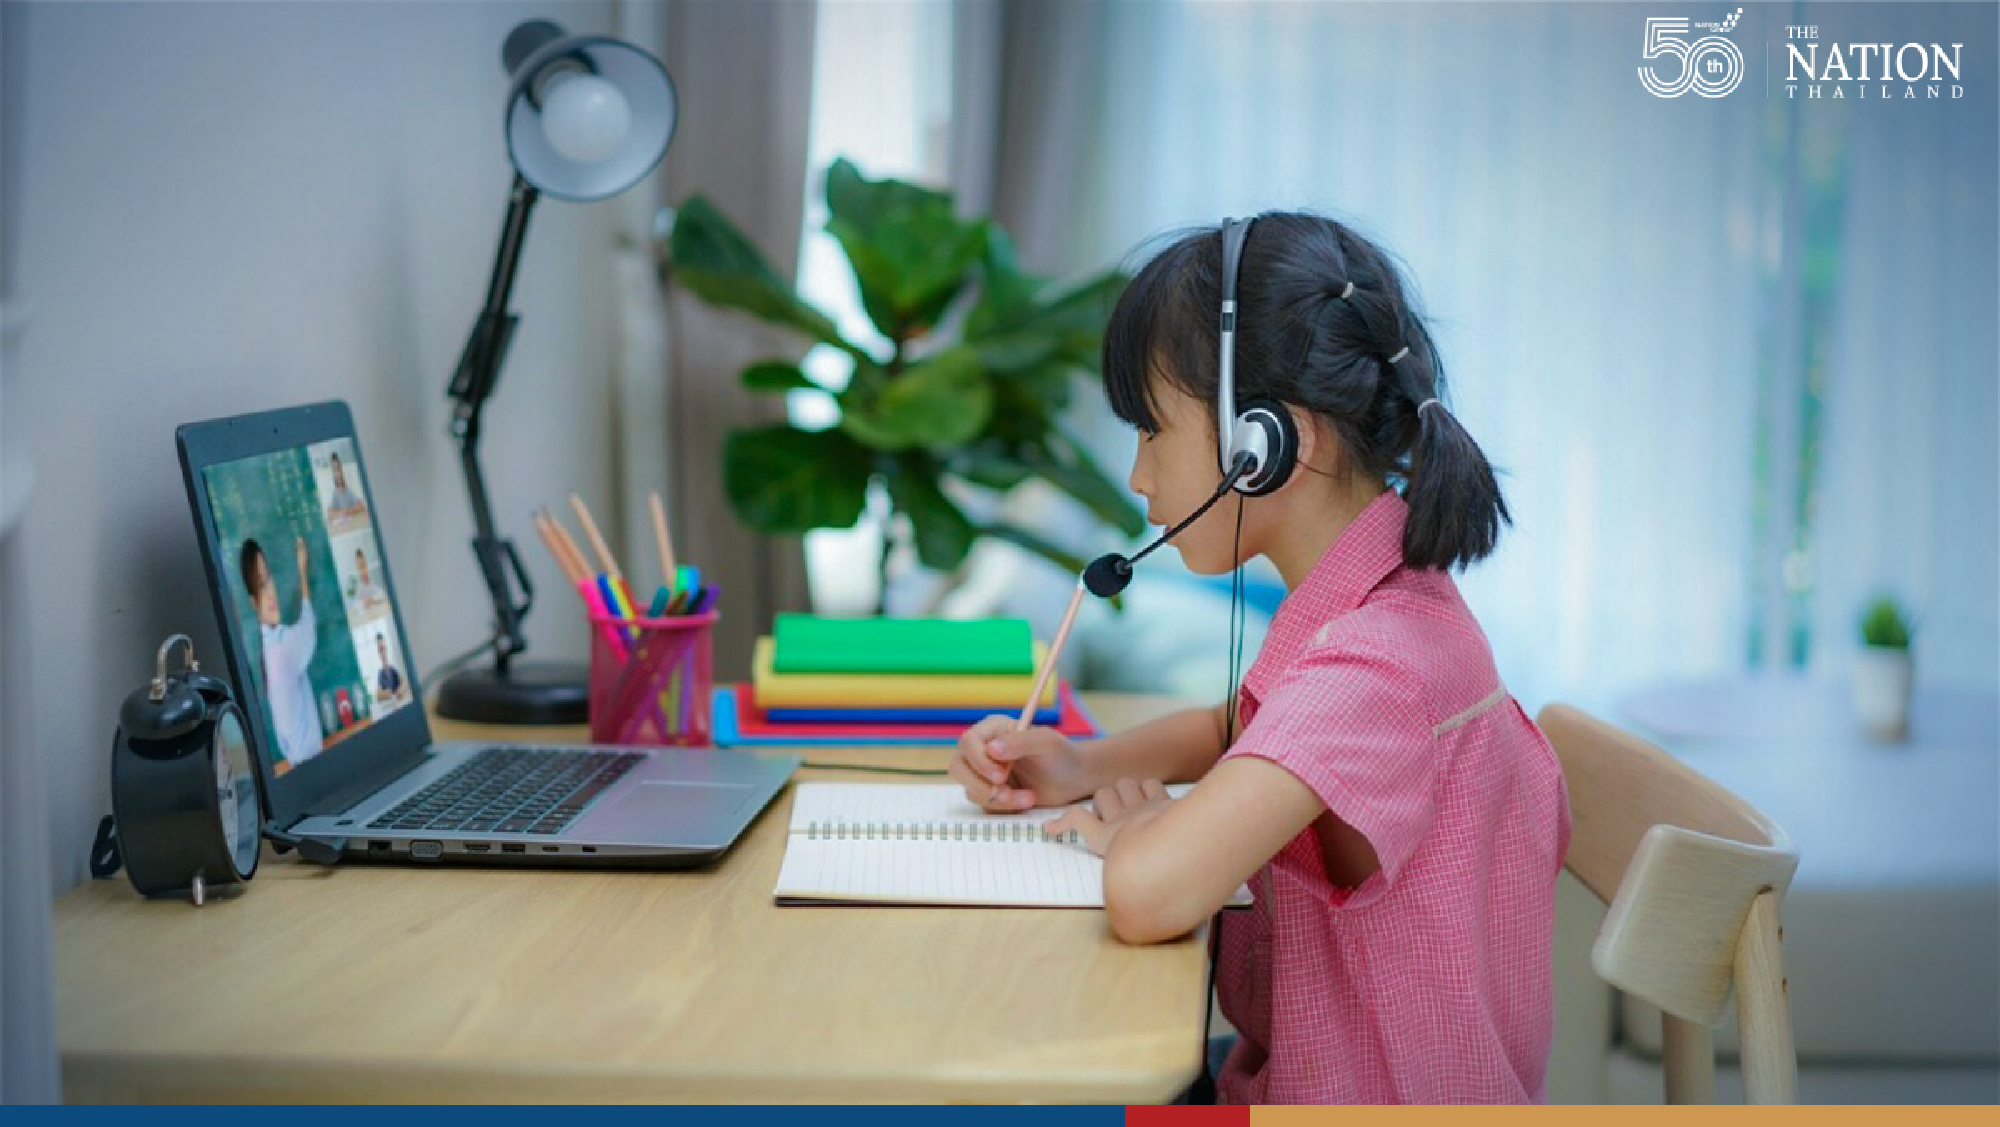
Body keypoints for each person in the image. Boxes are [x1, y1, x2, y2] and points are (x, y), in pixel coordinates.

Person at [949, 214, 1571, 1103]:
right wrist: (1083, 764)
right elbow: (1235, 727)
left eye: (1153, 430)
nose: (1136, 474)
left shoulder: (1376, 665)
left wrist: (1143, 831)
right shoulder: (1377, 598)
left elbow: (1150, 894)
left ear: (1268, 445)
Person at [241, 535, 322, 766]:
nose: (270, 593)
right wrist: (302, 568)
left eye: (269, 579)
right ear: (253, 603)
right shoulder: (280, 650)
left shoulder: (270, 650)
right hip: (311, 766)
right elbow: (307, 625)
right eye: (260, 585)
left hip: (300, 764)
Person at [325, 452, 366, 520]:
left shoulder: (348, 489)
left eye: (338, 469)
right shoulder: (334, 493)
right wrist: (341, 513)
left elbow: (361, 505)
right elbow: (329, 514)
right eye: (334, 470)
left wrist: (349, 511)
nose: (337, 473)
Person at [374, 632, 407, 706]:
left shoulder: (394, 668)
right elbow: (378, 695)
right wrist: (388, 693)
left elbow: (404, 684)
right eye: (380, 650)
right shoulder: (380, 674)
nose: (383, 654)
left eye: (383, 649)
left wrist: (401, 690)